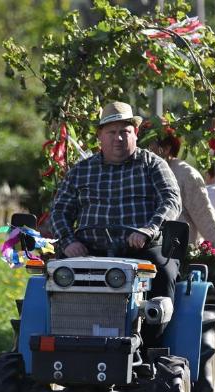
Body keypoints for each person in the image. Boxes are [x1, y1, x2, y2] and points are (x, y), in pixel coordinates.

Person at [50, 101, 182, 301]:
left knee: (164, 273)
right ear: (100, 136)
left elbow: (171, 201)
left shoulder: (153, 164)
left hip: (141, 250)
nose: (118, 138)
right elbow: (59, 211)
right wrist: (69, 242)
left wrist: (148, 230)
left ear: (135, 132)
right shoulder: (81, 171)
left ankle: (154, 329)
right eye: (111, 132)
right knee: (56, 275)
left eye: (125, 131)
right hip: (89, 252)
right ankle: (65, 327)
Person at [145, 125, 215, 245]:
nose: (142, 151)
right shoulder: (135, 171)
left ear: (166, 149)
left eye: (148, 146)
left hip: (177, 257)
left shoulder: (186, 175)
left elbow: (207, 221)